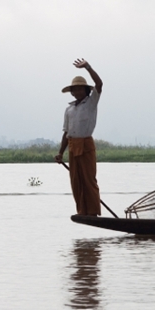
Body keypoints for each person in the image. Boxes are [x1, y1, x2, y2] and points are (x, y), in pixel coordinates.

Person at [55, 59, 103, 216]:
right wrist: (61, 152)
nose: (76, 92)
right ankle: (82, 211)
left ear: (85, 90)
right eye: (74, 90)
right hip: (72, 145)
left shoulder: (91, 103)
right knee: (76, 181)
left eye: (79, 89)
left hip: (86, 144)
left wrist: (88, 67)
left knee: (89, 179)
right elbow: (66, 132)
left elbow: (99, 84)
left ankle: (93, 211)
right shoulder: (69, 109)